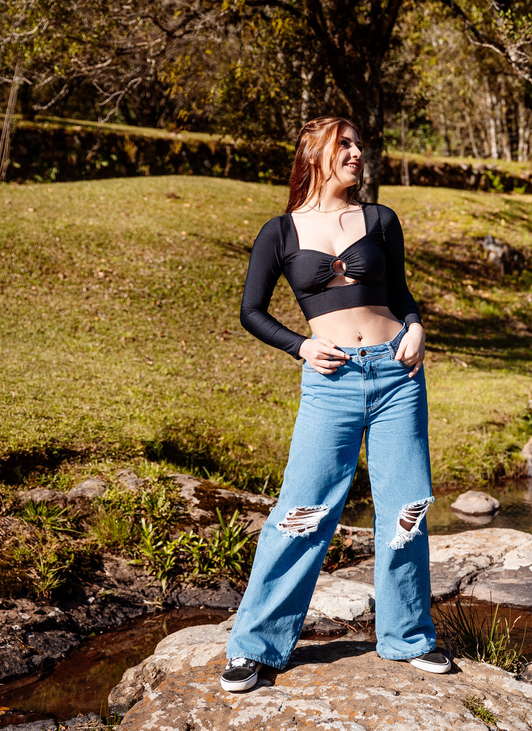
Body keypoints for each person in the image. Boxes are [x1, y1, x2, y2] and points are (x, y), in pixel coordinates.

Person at [221, 116, 449, 693]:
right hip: (332, 381)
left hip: (397, 372)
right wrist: (300, 346)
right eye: (342, 144)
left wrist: (416, 326)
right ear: (315, 154)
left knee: (406, 509)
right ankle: (255, 648)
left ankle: (408, 638)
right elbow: (251, 311)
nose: (355, 152)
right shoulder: (280, 232)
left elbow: (399, 294)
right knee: (302, 512)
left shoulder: (380, 219)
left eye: (356, 143)